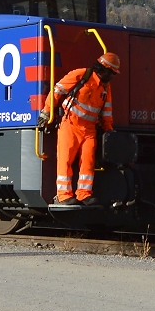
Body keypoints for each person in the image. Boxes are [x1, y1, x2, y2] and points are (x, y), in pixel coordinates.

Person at [38, 52, 119, 206]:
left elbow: (106, 111)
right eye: (112, 73)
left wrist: (109, 130)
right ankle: (64, 196)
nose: (113, 76)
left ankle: (84, 194)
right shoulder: (81, 75)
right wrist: (47, 111)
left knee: (88, 162)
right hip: (70, 125)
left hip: (89, 130)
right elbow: (57, 91)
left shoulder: (105, 88)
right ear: (104, 70)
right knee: (65, 160)